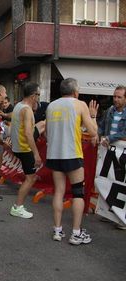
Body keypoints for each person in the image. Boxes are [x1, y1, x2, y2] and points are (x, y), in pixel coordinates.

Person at [46, 78, 98, 245]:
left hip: (54, 154)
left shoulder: (51, 106)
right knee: (77, 193)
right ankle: (76, 233)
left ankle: (57, 230)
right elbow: (93, 131)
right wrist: (93, 116)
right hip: (72, 154)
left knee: (59, 192)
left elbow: (47, 133)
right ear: (75, 92)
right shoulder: (79, 104)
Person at [10, 82, 43, 219]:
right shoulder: (27, 110)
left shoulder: (18, 105)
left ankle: (18, 207)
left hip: (18, 146)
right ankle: (17, 207)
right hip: (24, 148)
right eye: (38, 95)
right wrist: (36, 154)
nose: (38, 98)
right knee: (30, 178)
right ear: (33, 95)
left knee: (42, 124)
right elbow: (29, 134)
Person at [97, 85, 126, 230]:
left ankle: (122, 218)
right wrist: (99, 135)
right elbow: (102, 126)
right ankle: (109, 213)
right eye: (114, 96)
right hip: (110, 151)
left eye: (119, 97)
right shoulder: (109, 111)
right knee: (108, 181)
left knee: (122, 183)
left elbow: (124, 132)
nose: (115, 99)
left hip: (122, 153)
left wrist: (108, 137)